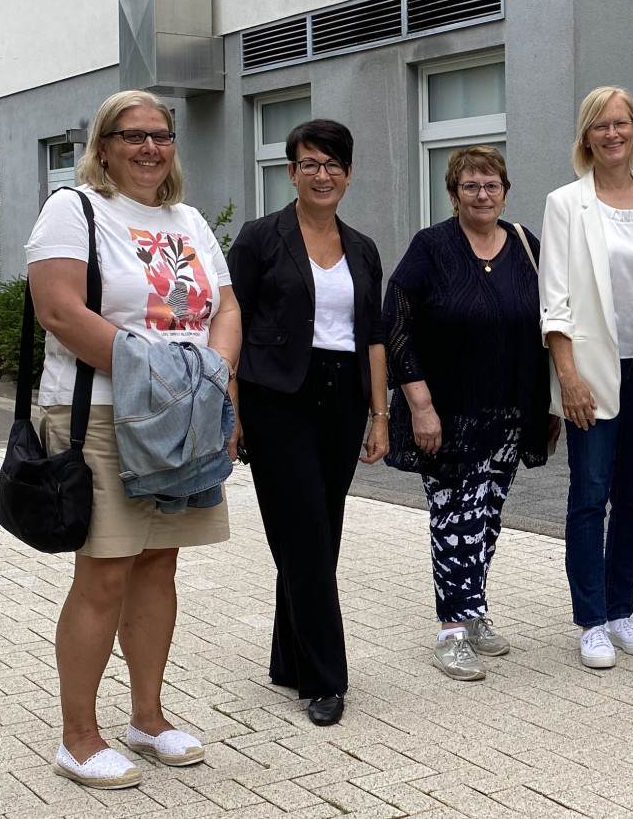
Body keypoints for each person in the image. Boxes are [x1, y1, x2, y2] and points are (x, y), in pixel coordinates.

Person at [26, 90, 241, 788]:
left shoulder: (188, 219)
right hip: (101, 415)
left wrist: (215, 381)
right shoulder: (75, 207)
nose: (150, 147)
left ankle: (147, 717)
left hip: (185, 420)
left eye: (162, 135)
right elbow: (57, 308)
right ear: (105, 144)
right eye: (133, 135)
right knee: (105, 572)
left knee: (159, 566)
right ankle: (77, 737)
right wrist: (156, 372)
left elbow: (226, 305)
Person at [228, 119, 388, 727]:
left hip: (342, 400)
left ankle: (288, 658)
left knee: (320, 534)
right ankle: (325, 677)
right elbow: (230, 328)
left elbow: (374, 336)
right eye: (310, 164)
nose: (322, 175)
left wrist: (380, 414)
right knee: (305, 536)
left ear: (348, 173)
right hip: (277, 402)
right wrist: (233, 413)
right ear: (291, 172)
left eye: (333, 165)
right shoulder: (259, 239)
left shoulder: (363, 247)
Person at [384, 145, 554, 682]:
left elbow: (552, 324)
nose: (483, 195)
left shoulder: (526, 245)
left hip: (509, 412)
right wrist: (421, 406)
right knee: (454, 521)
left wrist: (546, 404)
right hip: (449, 415)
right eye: (471, 186)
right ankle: (451, 632)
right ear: (453, 193)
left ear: (505, 190)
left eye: (492, 185)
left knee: (486, 520)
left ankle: (473, 612)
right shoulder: (431, 247)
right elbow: (397, 325)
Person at [539, 86, 633, 669]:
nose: (612, 134)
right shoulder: (566, 202)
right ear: (586, 136)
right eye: (601, 125)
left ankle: (622, 609)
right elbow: (556, 302)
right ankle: (591, 619)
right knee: (590, 495)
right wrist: (566, 377)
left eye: (622, 123)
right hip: (592, 372)